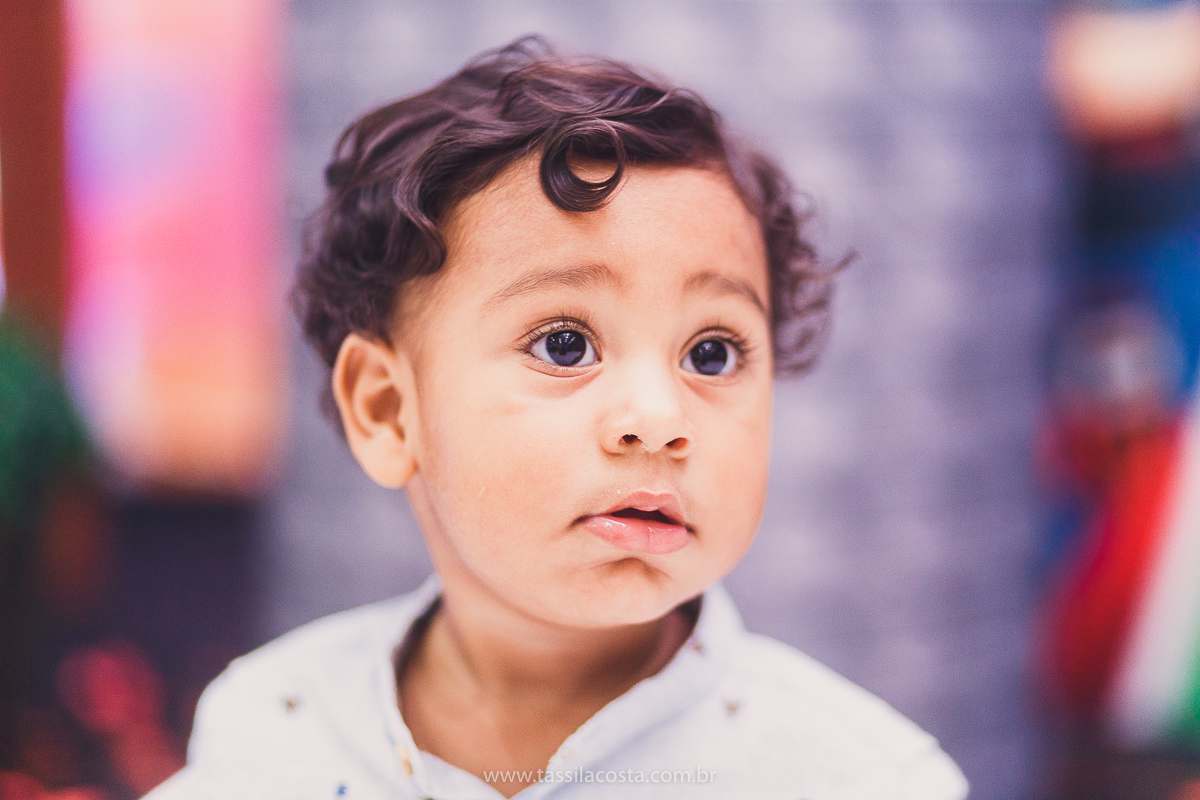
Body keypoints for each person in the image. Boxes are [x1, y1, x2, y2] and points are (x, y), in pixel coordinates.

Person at [145, 37, 968, 799]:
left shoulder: (861, 776)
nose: (659, 419)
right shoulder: (274, 731)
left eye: (711, 354)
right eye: (566, 344)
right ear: (388, 408)